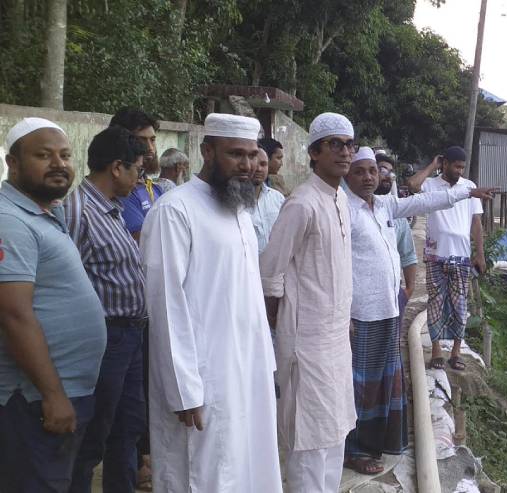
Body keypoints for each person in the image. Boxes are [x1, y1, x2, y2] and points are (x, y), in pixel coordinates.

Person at [139, 113, 281, 492]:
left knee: (248, 466)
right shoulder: (175, 211)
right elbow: (165, 305)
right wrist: (183, 390)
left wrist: (265, 364)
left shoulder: (240, 210)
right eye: (236, 154)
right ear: (207, 151)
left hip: (247, 372)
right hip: (201, 381)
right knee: (203, 475)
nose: (248, 165)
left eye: (253, 155)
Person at [343, 147, 495, 474]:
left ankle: (379, 443)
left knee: (386, 382)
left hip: (388, 311)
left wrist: (468, 192)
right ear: (347, 176)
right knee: (360, 386)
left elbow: (424, 202)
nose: (370, 176)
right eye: (361, 171)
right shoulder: (342, 209)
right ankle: (354, 449)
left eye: (374, 171)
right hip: (359, 315)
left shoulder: (384, 206)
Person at [0, 118, 107, 492]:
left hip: (66, 391)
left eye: (65, 155)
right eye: (43, 156)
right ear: (13, 163)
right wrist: (53, 394)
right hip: (32, 400)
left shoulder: (46, 213)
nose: (58, 164)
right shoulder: (9, 220)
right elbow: (13, 314)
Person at [259, 112, 357, 493]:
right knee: (308, 436)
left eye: (348, 144)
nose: (345, 152)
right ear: (315, 153)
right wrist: (284, 324)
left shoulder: (340, 200)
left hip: (336, 340)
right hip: (307, 343)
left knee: (335, 429)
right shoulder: (302, 203)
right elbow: (270, 271)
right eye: (335, 144)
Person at [64, 127, 149, 493]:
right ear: (117, 167)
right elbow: (62, 283)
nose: (139, 179)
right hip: (104, 339)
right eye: (137, 170)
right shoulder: (77, 213)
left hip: (130, 337)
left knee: (127, 429)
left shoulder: (111, 210)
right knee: (92, 437)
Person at [108, 107, 160, 489]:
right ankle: (138, 461)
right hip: (122, 318)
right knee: (125, 405)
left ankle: (145, 455)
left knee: (145, 394)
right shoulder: (115, 194)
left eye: (155, 139)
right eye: (145, 140)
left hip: (152, 309)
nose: (152, 147)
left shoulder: (152, 188)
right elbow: (138, 242)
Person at [406, 146, 487, 372]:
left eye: (462, 167)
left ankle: (456, 353)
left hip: (461, 256)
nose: (459, 171)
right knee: (436, 303)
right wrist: (433, 165)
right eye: (456, 166)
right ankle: (436, 351)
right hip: (435, 255)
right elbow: (412, 186)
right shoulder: (431, 185)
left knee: (460, 304)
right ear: (446, 164)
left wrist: (479, 253)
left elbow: (476, 223)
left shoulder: (469, 188)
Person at [109, 108, 162, 242]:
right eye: (142, 140)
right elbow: (146, 244)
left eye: (153, 140)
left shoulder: (156, 188)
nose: (150, 148)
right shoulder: (122, 192)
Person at [374, 154, 414, 317]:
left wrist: (408, 291)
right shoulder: (351, 209)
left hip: (394, 297)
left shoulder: (398, 216)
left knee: (391, 343)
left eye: (391, 173)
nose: (388, 176)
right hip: (359, 300)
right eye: (383, 170)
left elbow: (408, 255)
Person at [250, 147, 286, 253]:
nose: (259, 169)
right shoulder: (235, 203)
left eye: (263, 164)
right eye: (255, 164)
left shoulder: (277, 198)